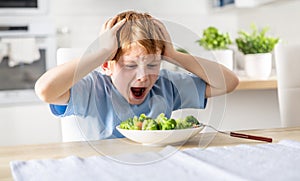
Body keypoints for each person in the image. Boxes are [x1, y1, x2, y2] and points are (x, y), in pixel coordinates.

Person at [35, 11, 239, 139]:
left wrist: (173, 55)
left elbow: (228, 82)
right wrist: (100, 53)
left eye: (152, 64)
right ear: (107, 65)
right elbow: (45, 90)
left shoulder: (165, 86)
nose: (143, 76)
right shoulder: (91, 89)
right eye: (130, 65)